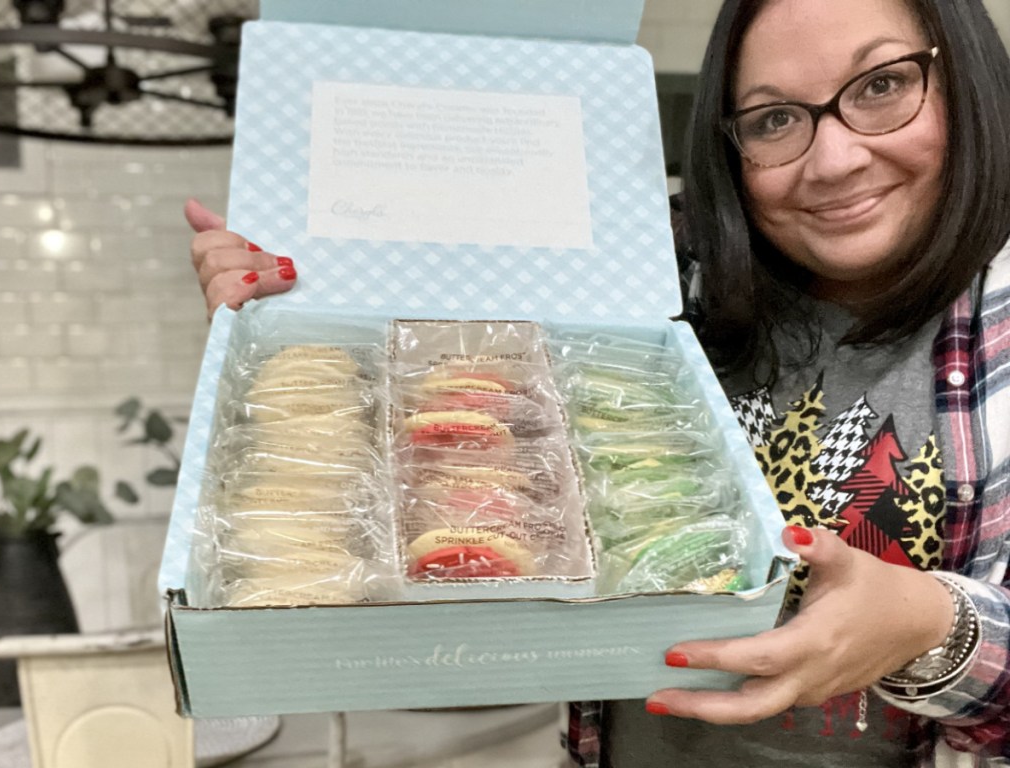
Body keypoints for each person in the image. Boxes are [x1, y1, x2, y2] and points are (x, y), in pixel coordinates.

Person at [186, 0, 1010, 764]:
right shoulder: (652, 270)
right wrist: (292, 297)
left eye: (882, 85)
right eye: (774, 118)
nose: (832, 160)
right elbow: (441, 313)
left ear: (964, 75)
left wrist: (934, 627)